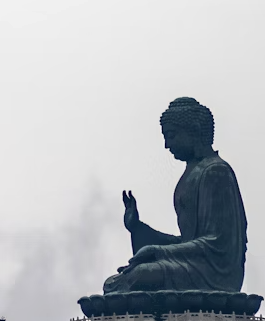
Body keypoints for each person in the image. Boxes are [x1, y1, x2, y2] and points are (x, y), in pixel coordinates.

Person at [103, 97, 247, 294]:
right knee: (114, 282)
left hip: (215, 274)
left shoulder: (215, 171)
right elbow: (187, 242)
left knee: (139, 276)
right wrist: (138, 228)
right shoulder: (192, 172)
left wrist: (159, 251)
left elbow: (216, 243)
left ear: (194, 131)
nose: (166, 145)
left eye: (171, 136)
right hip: (193, 264)